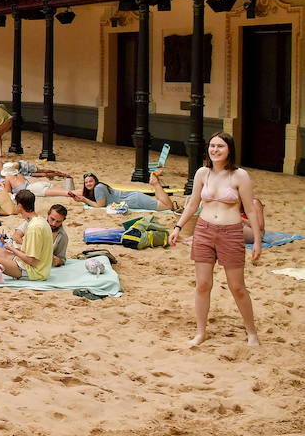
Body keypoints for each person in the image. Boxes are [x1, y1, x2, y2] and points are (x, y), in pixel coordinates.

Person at [170, 132, 261, 347]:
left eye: (220, 146)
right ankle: (201, 332)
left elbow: (251, 210)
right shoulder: (203, 173)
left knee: (237, 286)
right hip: (203, 230)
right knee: (202, 284)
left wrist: (257, 240)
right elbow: (192, 204)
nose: (215, 150)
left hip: (231, 233)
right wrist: (178, 227)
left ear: (229, 149)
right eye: (212, 146)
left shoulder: (240, 176)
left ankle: (252, 332)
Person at [0, 189, 54, 280]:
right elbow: (32, 252)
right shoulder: (39, 220)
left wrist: (10, 248)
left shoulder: (34, 228)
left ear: (19, 206)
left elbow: (31, 260)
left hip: (33, 271)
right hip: (27, 263)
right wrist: (10, 245)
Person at [65, 170, 178, 211]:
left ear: (95, 181)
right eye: (86, 182)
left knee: (168, 206)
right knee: (161, 202)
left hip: (134, 200)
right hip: (133, 198)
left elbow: (100, 205)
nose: (88, 184)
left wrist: (84, 199)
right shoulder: (97, 188)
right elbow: (83, 193)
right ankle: (156, 185)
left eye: (91, 181)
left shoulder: (98, 188)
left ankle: (155, 183)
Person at [0, 159, 70, 182]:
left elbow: (4, 174)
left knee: (43, 170)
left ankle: (61, 174)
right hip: (20, 173)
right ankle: (57, 175)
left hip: (22, 166)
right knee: (43, 174)